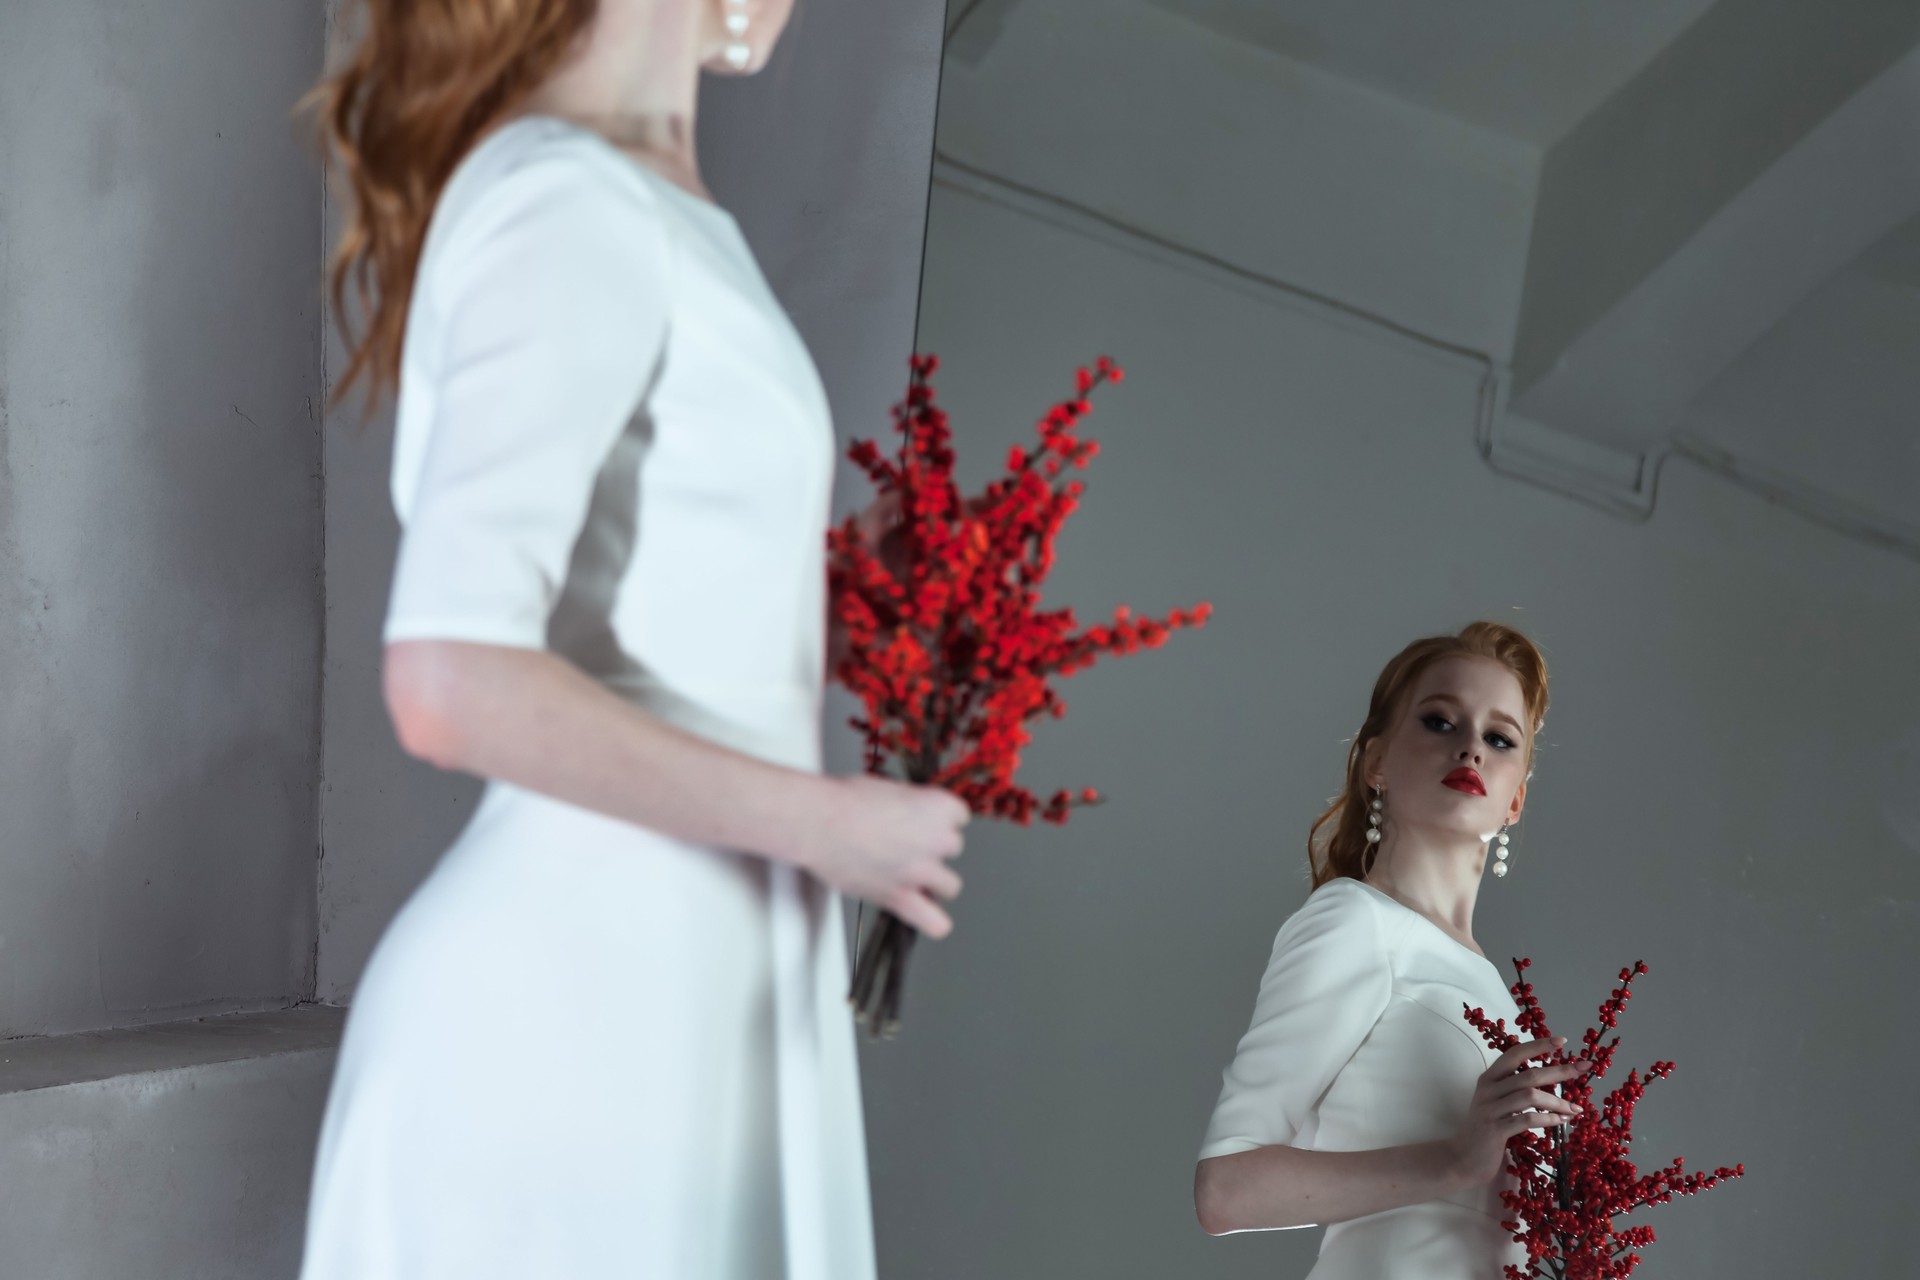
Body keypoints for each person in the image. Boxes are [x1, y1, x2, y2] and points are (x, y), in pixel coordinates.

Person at [295, 2, 968, 1276]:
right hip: (579, 1021)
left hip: (683, 998)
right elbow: (447, 677)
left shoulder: (633, 203)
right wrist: (825, 822)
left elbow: (639, 633)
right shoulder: (568, 200)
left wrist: (832, 607)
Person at [1193, 621, 1582, 1277]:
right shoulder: (1354, 921)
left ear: (1515, 800)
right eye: (1439, 722)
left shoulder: (1495, 997)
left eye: (1499, 738)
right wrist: (1456, 1160)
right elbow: (1224, 1192)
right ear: (1376, 761)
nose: (1471, 750)